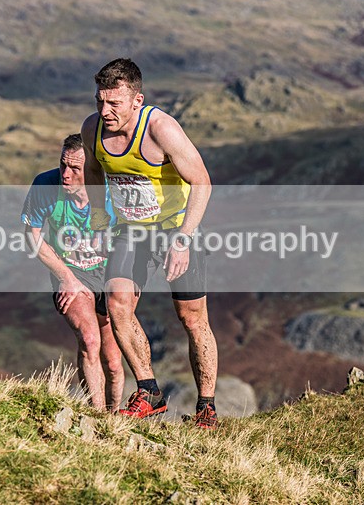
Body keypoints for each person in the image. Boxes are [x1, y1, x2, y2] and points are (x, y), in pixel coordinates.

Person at [81, 58, 219, 429]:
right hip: (132, 231)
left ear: (137, 100)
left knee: (191, 318)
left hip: (178, 229)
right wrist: (98, 220)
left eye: (115, 103)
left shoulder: (161, 129)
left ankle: (206, 407)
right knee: (116, 303)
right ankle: (149, 392)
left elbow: (202, 182)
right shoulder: (93, 129)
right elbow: (92, 171)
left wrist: (183, 239)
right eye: (100, 101)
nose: (105, 111)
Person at [21, 134, 125, 411]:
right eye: (63, 165)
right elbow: (31, 237)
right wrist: (66, 278)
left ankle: (115, 420)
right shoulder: (45, 185)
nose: (65, 175)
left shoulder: (111, 190)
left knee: (113, 361)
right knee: (90, 340)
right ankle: (99, 417)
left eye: (75, 169)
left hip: (110, 273)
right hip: (71, 271)